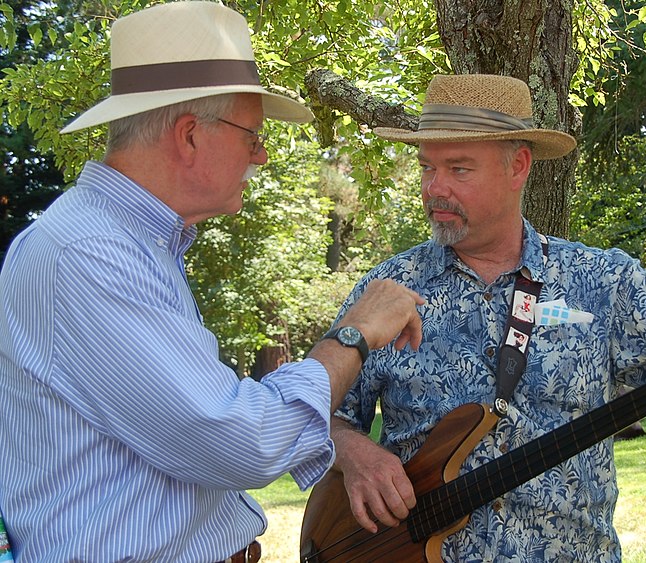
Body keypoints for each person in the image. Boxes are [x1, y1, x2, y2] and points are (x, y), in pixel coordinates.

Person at [0, 3, 423, 562]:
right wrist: (354, 334)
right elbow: (242, 440)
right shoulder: (91, 253)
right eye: (252, 136)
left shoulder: (125, 244)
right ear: (190, 136)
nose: (263, 155)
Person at [327, 74, 646, 561]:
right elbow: (318, 409)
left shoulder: (601, 280)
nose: (434, 189)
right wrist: (355, 453)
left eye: (459, 169)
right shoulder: (387, 289)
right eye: (427, 168)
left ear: (519, 166)